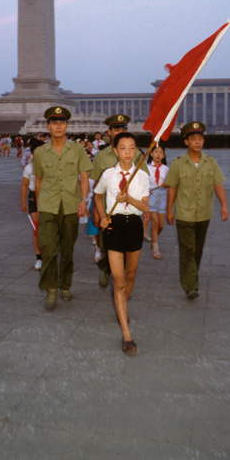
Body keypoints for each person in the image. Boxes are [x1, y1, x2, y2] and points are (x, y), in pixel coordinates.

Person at [33, 106, 93, 311]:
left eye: (62, 123)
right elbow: (38, 180)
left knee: (67, 250)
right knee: (49, 249)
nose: (58, 126)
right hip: (48, 206)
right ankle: (51, 288)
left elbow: (84, 177)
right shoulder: (40, 152)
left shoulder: (77, 150)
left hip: (70, 205)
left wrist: (84, 200)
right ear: (48, 126)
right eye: (54, 123)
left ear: (67, 126)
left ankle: (65, 285)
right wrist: (40, 206)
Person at [94, 132, 149, 355]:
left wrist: (129, 200)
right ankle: (126, 333)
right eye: (123, 148)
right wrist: (102, 216)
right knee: (118, 280)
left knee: (130, 276)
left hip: (134, 225)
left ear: (136, 151)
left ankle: (121, 306)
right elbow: (97, 196)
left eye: (132, 148)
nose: (128, 153)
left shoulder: (142, 176)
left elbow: (145, 208)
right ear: (115, 151)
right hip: (114, 227)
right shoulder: (108, 174)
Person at [165, 122, 229, 300]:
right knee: (187, 249)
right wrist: (169, 210)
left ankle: (190, 275)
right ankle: (191, 286)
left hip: (203, 214)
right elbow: (172, 188)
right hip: (184, 214)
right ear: (186, 142)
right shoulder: (178, 164)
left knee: (197, 250)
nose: (197, 142)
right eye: (193, 139)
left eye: (200, 138)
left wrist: (224, 205)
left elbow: (218, 185)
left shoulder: (211, 162)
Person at [90, 114, 149, 288]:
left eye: (124, 129)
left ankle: (120, 278)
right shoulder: (101, 156)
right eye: (116, 129)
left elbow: (144, 181)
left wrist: (146, 210)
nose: (120, 132)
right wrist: (96, 213)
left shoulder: (136, 155)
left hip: (130, 210)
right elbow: (96, 187)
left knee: (126, 248)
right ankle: (106, 268)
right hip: (108, 211)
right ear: (109, 132)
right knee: (107, 243)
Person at [21, 138, 44, 270]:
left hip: (48, 198)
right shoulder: (29, 167)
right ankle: (39, 256)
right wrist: (22, 201)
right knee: (37, 228)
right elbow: (24, 185)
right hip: (33, 197)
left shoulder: (50, 166)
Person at [146, 144, 169, 259]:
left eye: (161, 152)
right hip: (151, 195)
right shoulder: (146, 168)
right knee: (154, 221)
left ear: (163, 155)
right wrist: (145, 190)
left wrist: (166, 185)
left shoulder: (166, 169)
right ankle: (155, 248)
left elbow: (170, 183)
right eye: (156, 152)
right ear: (151, 154)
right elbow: (141, 182)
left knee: (160, 224)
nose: (158, 154)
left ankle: (153, 237)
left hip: (162, 196)